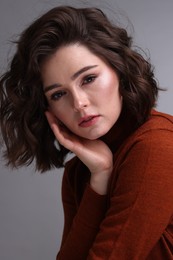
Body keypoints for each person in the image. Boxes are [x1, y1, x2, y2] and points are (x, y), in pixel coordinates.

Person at [0, 5, 173, 260]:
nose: (78, 103)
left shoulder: (157, 146)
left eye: (88, 79)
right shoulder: (82, 171)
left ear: (119, 69)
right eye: (58, 94)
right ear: (48, 109)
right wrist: (101, 177)